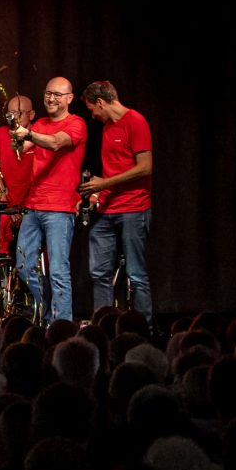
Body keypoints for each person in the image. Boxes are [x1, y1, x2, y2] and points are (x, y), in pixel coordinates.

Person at [78, 80, 153, 326]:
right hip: (108, 209)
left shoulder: (136, 122)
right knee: (99, 272)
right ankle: (104, 326)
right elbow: (111, 170)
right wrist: (97, 194)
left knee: (136, 274)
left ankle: (144, 327)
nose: (93, 115)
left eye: (92, 110)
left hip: (133, 208)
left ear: (101, 102)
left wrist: (104, 185)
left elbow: (145, 168)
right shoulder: (108, 128)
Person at [13, 77, 88, 323]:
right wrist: (18, 135)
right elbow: (21, 148)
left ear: (69, 98)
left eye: (57, 94)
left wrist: (29, 135)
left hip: (60, 208)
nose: (51, 98)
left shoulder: (76, 123)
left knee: (58, 270)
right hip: (33, 205)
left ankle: (62, 324)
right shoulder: (41, 123)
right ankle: (46, 313)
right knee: (24, 266)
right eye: (48, 93)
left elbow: (56, 143)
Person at [0, 94, 35, 254]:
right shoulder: (0, 134)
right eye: (11, 113)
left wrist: (25, 211)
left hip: (32, 207)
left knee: (28, 255)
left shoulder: (39, 135)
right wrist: (7, 208)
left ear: (31, 115)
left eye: (19, 113)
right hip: (6, 205)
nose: (14, 118)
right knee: (2, 250)